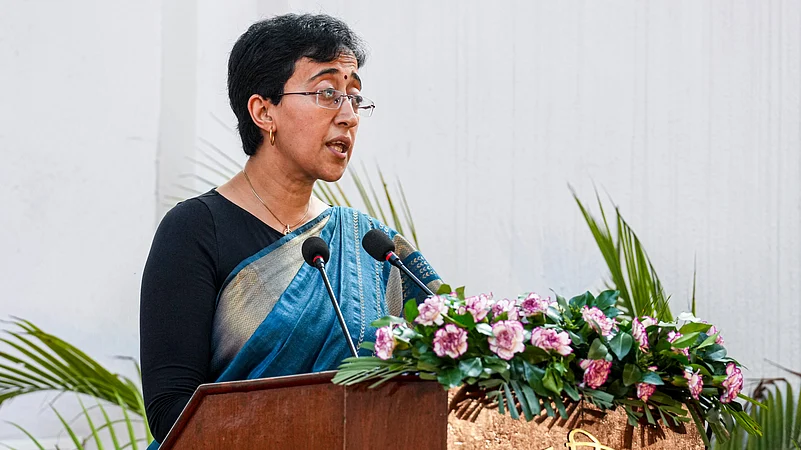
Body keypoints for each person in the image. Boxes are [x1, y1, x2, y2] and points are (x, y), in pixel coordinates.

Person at [139, 13, 441, 445]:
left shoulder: (371, 246)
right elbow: (173, 413)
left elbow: (450, 348)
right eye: (326, 94)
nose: (349, 116)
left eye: (354, 97)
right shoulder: (195, 230)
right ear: (264, 111)